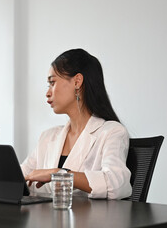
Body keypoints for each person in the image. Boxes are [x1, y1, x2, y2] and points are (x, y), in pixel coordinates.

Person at [21, 48, 132, 199]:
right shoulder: (48, 137)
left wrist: (58, 174)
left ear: (77, 81)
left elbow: (116, 185)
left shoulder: (112, 132)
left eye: (52, 83)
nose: (48, 93)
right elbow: (21, 175)